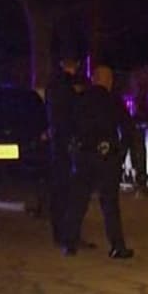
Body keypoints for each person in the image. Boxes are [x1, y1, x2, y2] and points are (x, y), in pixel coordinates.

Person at [62, 65, 138, 259]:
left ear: (94, 79)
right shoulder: (113, 100)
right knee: (110, 203)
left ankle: (70, 243)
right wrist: (121, 153)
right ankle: (117, 246)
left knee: (78, 200)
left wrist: (74, 149)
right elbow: (128, 129)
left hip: (84, 156)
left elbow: (68, 126)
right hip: (107, 157)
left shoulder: (81, 99)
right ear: (109, 81)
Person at [43, 54, 90, 247]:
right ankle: (69, 235)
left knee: (60, 190)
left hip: (58, 144)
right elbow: (76, 114)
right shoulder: (70, 86)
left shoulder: (53, 85)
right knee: (71, 192)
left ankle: (61, 233)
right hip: (70, 144)